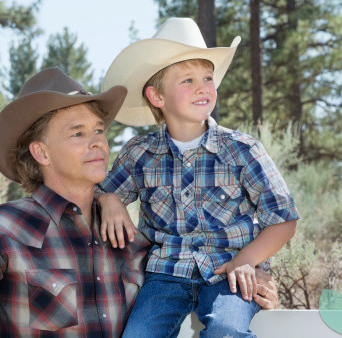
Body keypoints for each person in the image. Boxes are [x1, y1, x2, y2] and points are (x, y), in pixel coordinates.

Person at [97, 17, 300, 337]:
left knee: (226, 329)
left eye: (208, 77)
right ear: (156, 97)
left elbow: (283, 219)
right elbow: (96, 192)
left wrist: (247, 259)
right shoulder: (139, 154)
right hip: (165, 275)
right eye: (188, 80)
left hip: (230, 274)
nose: (203, 86)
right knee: (137, 335)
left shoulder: (242, 150)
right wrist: (108, 198)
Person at [0, 67, 150, 336]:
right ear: (42, 153)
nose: (97, 143)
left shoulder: (131, 239)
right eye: (78, 133)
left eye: (98, 130)